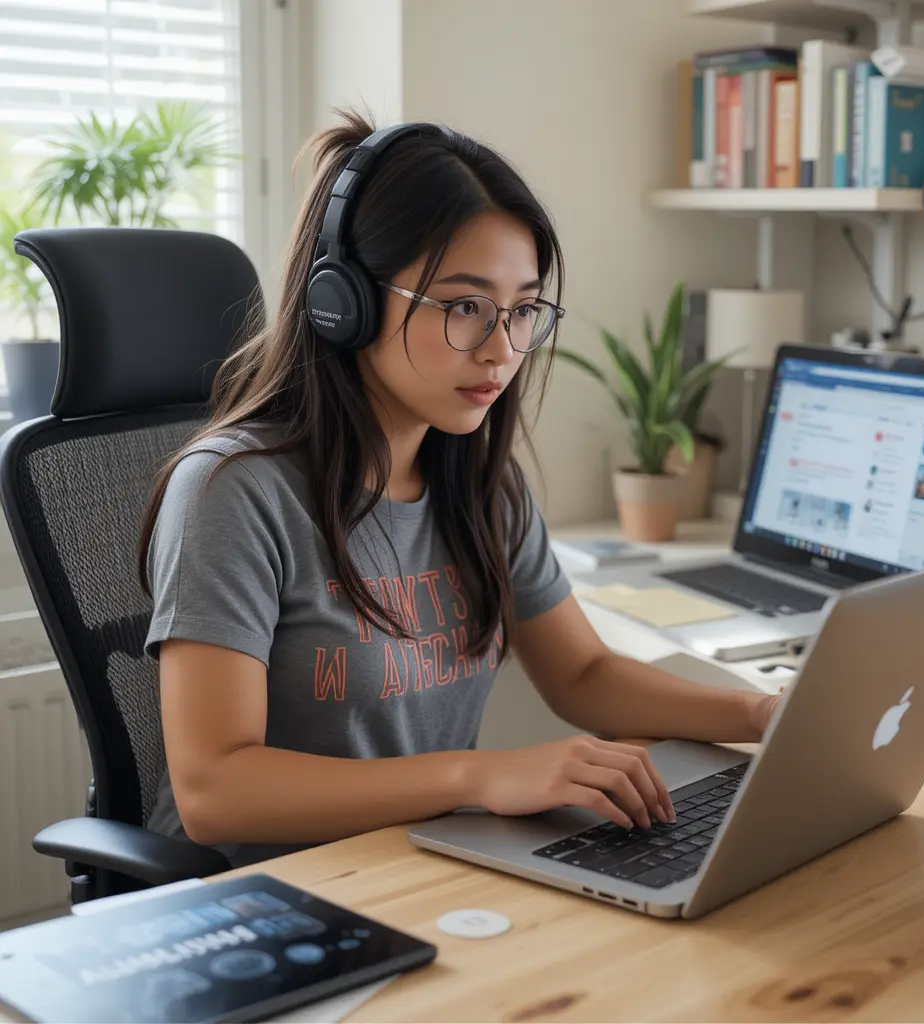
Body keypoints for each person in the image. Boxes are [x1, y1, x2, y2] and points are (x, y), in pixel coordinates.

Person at [139, 113, 781, 868]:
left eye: (522, 311)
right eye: (464, 306)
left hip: (423, 866)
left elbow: (583, 674)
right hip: (267, 900)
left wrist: (763, 714)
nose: (503, 351)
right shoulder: (233, 492)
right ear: (343, 302)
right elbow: (215, 792)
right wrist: (482, 775)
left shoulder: (481, 482)